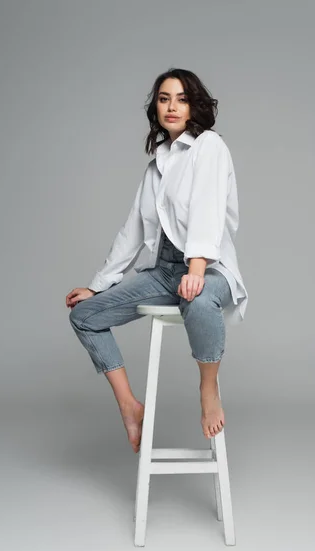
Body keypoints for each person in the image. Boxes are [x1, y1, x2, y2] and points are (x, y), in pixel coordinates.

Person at [66, 68, 248, 453]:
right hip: (165, 271)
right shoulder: (157, 165)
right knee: (84, 316)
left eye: (181, 98)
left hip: (210, 269)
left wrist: (196, 267)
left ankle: (208, 386)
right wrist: (98, 284)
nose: (172, 106)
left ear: (194, 105)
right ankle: (130, 408)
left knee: (196, 299)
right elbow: (132, 229)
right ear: (156, 107)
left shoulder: (209, 146)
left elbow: (207, 210)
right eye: (164, 98)